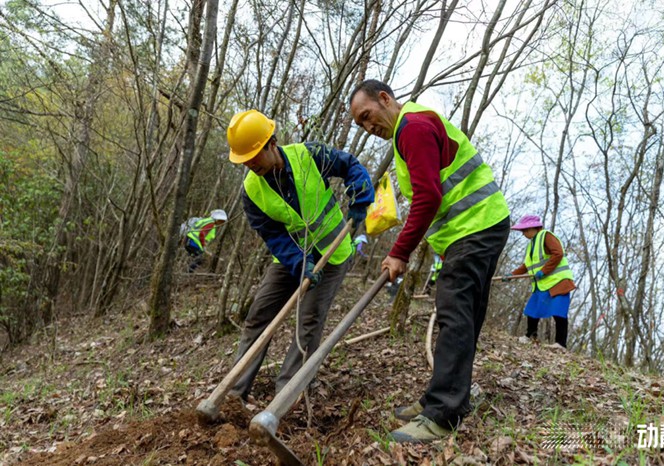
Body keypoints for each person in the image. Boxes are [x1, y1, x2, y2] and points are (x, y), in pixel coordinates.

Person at [350, 80, 510, 443]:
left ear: (385, 99)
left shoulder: (413, 128)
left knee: (454, 318)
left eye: (367, 116)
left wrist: (399, 251)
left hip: (474, 227)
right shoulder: (410, 129)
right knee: (464, 317)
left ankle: (441, 414)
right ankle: (448, 398)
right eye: (360, 124)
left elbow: (428, 196)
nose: (367, 126)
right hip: (481, 225)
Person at [225, 109, 374, 401]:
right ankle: (234, 393)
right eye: (244, 160)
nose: (250, 165)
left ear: (272, 143)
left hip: (334, 254)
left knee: (308, 320)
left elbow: (350, 165)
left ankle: (287, 395)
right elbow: (273, 235)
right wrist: (298, 262)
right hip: (291, 257)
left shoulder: (309, 155)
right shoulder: (251, 191)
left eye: (254, 156)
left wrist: (360, 193)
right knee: (259, 316)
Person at [504, 215, 575, 349]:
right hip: (542, 284)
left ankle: (560, 343)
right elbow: (526, 266)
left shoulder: (546, 236)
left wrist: (544, 270)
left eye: (524, 230)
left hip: (558, 281)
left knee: (558, 311)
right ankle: (530, 335)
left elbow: (558, 253)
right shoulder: (531, 245)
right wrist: (511, 275)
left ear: (533, 228)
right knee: (533, 309)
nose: (523, 234)